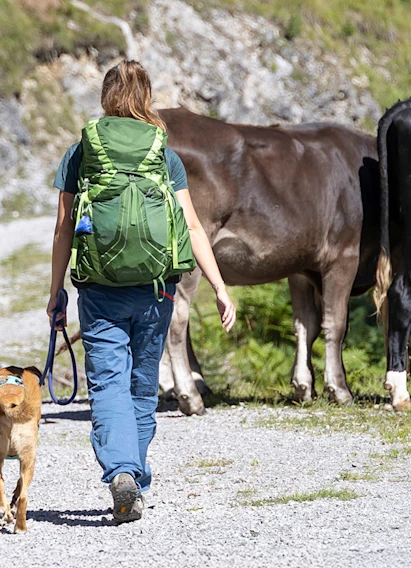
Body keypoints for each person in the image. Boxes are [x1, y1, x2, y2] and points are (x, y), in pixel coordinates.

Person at [47, 60, 236, 524]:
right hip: (156, 291)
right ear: (146, 98)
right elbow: (192, 225)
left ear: (107, 97)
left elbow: (63, 228)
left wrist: (56, 293)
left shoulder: (81, 153)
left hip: (100, 290)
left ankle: (122, 473)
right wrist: (219, 285)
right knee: (141, 387)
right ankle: (136, 477)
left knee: (108, 384)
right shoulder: (163, 156)